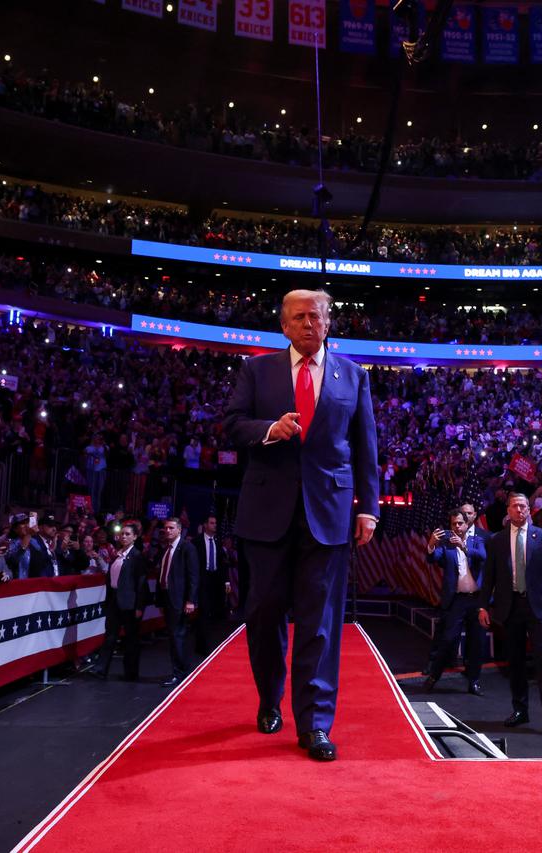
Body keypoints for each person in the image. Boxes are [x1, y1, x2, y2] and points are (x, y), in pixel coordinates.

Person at [223, 289, 379, 762]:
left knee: (321, 624)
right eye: (299, 317)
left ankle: (315, 723)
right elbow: (231, 424)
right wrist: (270, 430)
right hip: (266, 513)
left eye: (317, 316)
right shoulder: (257, 371)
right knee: (265, 615)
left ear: (329, 322)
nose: (309, 323)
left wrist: (368, 507)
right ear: (284, 326)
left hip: (328, 516)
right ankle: (270, 700)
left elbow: (366, 446)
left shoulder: (353, 376)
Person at [478, 492, 542, 740]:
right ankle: (520, 710)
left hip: (538, 607)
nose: (519, 510)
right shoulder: (496, 540)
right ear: (507, 510)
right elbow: (489, 577)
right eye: (515, 506)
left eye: (523, 506)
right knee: (515, 662)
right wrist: (483, 606)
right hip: (510, 607)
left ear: (529, 510)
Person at [423, 509, 487, 695]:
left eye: (460, 523)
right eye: (453, 524)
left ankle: (474, 681)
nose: (457, 527)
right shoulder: (446, 543)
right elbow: (432, 559)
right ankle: (434, 676)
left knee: (477, 643)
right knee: (448, 639)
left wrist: (464, 547)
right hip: (457, 599)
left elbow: (482, 557)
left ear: (467, 525)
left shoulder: (477, 541)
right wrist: (431, 545)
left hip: (477, 600)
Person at [150, 517, 199, 687]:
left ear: (179, 530)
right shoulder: (166, 549)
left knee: (178, 636)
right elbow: (162, 574)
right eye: (165, 528)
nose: (167, 531)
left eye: (171, 528)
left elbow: (193, 576)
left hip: (179, 600)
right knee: (174, 636)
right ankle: (180, 671)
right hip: (167, 599)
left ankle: (180, 674)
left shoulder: (187, 547)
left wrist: (191, 600)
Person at [98, 521, 148, 681]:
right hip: (114, 601)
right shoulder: (118, 554)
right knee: (110, 636)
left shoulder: (137, 556)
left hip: (130, 604)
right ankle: (100, 669)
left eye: (128, 534)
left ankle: (131, 673)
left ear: (134, 537)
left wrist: (139, 606)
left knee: (131, 639)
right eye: (122, 534)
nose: (124, 536)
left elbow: (141, 583)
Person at [194, 514, 228, 656]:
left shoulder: (218, 542)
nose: (215, 525)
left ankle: (211, 644)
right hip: (202, 579)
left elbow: (223, 563)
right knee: (203, 613)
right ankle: (202, 646)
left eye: (215, 523)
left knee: (214, 613)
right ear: (205, 525)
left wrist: (226, 581)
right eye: (212, 523)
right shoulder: (197, 542)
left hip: (216, 581)